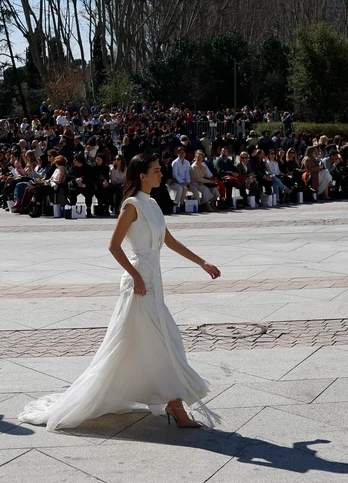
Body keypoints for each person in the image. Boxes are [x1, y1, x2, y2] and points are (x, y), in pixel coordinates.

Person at [19, 154, 222, 430]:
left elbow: (169, 240)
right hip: (139, 282)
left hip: (153, 281)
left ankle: (168, 399)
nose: (161, 173)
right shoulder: (132, 205)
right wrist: (136, 275)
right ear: (142, 175)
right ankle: (174, 403)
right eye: (156, 170)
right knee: (166, 340)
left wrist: (202, 262)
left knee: (145, 342)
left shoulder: (151, 203)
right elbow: (114, 246)